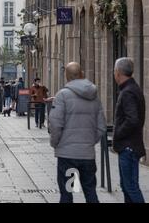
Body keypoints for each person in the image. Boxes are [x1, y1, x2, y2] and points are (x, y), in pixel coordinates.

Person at [49, 62, 107, 203]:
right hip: (87, 155)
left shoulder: (62, 95)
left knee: (68, 192)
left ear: (67, 76)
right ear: (81, 74)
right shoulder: (94, 96)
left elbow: (55, 124)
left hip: (67, 156)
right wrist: (90, 142)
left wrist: (55, 143)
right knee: (90, 191)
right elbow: (101, 126)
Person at [113, 58, 146, 203]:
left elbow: (132, 119)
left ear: (118, 73)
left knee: (131, 186)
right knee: (127, 186)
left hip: (128, 147)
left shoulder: (127, 92)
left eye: (114, 71)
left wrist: (118, 134)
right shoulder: (132, 88)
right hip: (130, 146)